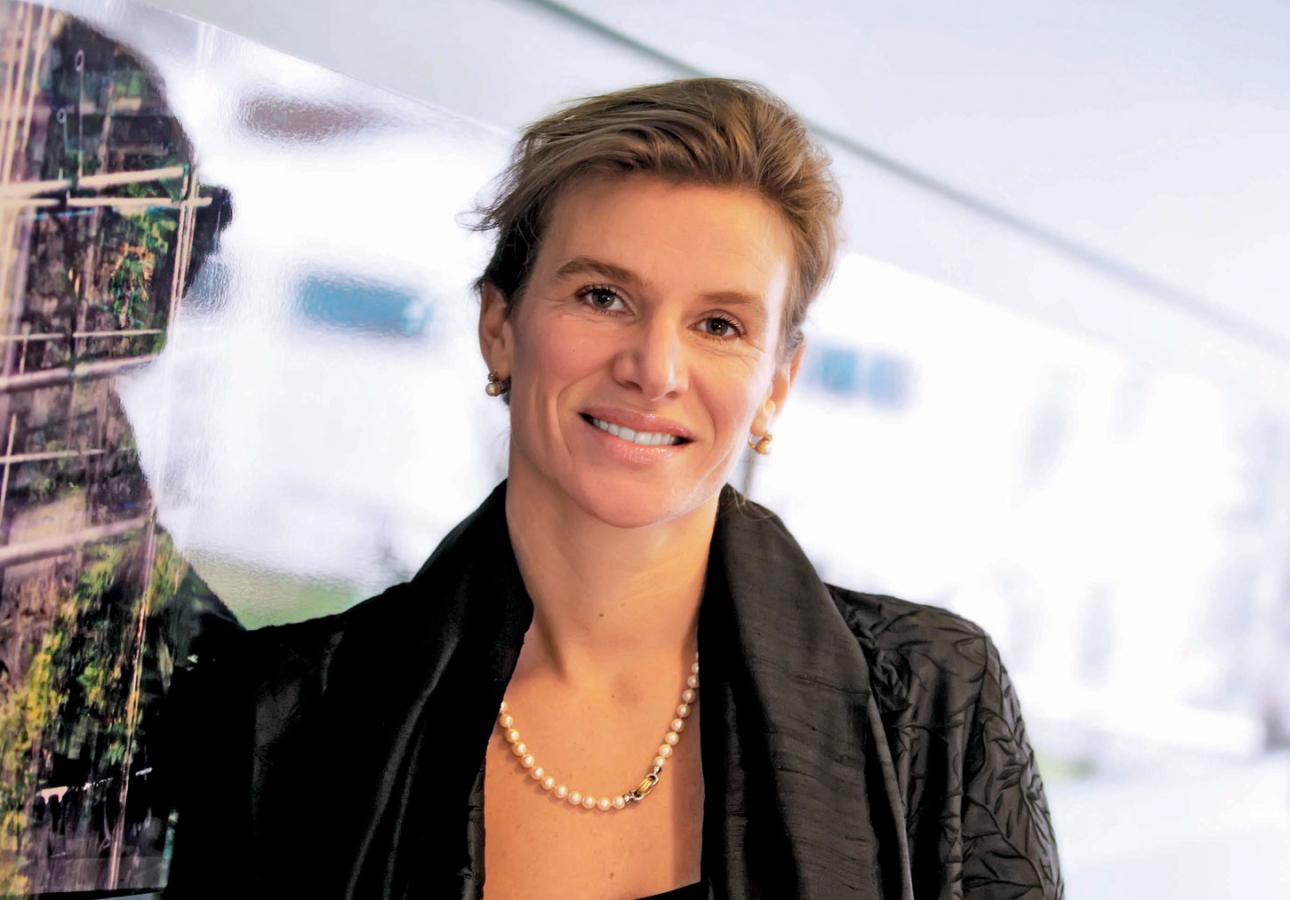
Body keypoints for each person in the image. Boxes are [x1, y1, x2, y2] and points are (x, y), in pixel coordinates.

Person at [165, 77, 1064, 899]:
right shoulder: (288, 716)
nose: (655, 368)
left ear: (776, 386)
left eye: (720, 324)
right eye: (603, 297)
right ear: (499, 327)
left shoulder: (931, 700)